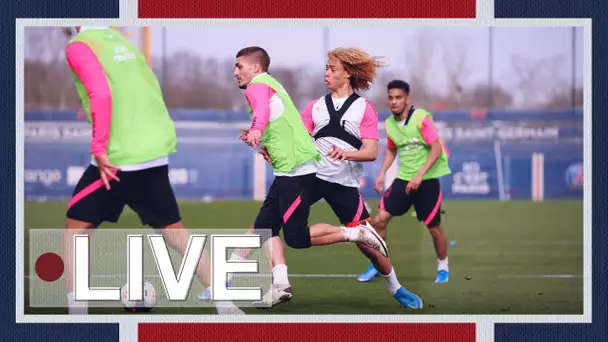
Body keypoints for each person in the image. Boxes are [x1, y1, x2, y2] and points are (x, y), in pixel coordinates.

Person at [201, 48, 423, 311]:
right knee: (265, 224)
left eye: (332, 69)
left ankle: (396, 287)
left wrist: (347, 153)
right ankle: (239, 281)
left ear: (348, 73)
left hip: (344, 184)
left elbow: (372, 152)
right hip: (311, 175)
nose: (326, 73)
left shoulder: (364, 108)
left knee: (366, 244)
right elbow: (298, 141)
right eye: (326, 68)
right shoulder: (315, 107)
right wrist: (269, 145)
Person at [63, 26, 243, 315]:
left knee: (76, 229)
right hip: (154, 151)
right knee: (175, 232)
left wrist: (99, 146)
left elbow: (101, 92)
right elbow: (150, 86)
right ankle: (226, 304)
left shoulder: (79, 45)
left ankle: (77, 313)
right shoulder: (121, 41)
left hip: (118, 157)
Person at [357, 80, 452, 284]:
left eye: (398, 97)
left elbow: (436, 149)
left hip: (427, 179)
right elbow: (392, 149)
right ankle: (379, 264)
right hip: (404, 179)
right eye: (390, 98)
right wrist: (382, 172)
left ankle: (443, 266)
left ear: (407, 99)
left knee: (434, 228)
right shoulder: (390, 124)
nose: (394, 101)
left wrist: (419, 174)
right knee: (379, 220)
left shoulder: (421, 118)